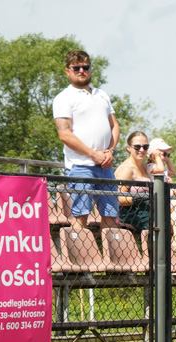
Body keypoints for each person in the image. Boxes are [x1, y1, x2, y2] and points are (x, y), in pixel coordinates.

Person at [53, 50, 119, 229]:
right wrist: (93, 154)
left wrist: (109, 152)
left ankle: (110, 257)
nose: (81, 70)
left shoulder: (101, 94)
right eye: (76, 68)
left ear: (90, 69)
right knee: (80, 214)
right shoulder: (63, 98)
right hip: (80, 166)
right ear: (67, 71)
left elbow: (114, 125)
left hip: (105, 166)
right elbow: (64, 134)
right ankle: (75, 257)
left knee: (111, 215)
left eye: (85, 67)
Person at [114, 131, 153, 233]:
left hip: (147, 214)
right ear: (128, 148)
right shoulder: (126, 170)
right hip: (130, 216)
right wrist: (142, 197)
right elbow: (116, 199)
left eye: (145, 147)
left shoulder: (144, 166)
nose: (141, 150)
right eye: (137, 147)